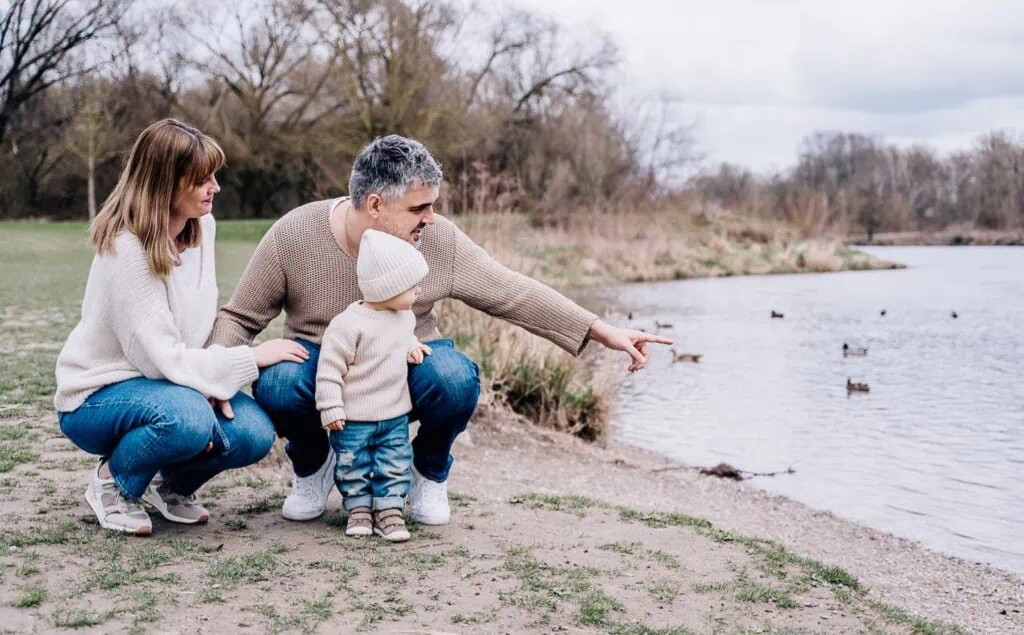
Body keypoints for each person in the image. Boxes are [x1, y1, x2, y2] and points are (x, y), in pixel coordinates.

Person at [208, 135, 672, 525]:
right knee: (279, 382)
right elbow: (240, 316)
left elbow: (510, 291)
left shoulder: (437, 239)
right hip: (321, 366)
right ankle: (314, 466)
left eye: (433, 206)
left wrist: (599, 330)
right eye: (419, 207)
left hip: (408, 358)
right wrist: (209, 379)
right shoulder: (295, 234)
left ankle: (426, 474)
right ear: (374, 204)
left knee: (454, 378)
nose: (430, 217)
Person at [53, 119, 308, 535]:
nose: (215, 188)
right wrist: (249, 359)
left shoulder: (201, 228)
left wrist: (206, 383)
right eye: (201, 179)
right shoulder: (127, 249)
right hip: (98, 396)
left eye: (214, 176)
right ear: (165, 184)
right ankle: (111, 483)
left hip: (172, 385)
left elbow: (195, 333)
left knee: (252, 432)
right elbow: (159, 358)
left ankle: (167, 484)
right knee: (188, 419)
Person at [316, 229, 433, 542]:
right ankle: (359, 509)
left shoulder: (404, 316)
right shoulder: (348, 325)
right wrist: (330, 407)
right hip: (353, 418)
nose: (419, 291)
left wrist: (412, 346)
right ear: (388, 287)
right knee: (353, 463)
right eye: (412, 285)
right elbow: (329, 368)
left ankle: (389, 510)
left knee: (394, 462)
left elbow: (402, 336)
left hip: (394, 414)